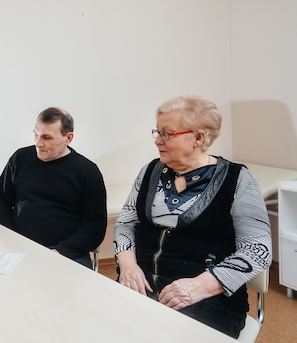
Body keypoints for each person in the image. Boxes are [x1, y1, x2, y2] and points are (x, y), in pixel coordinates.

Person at [113, 95, 272, 338]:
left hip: (206, 296)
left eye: (167, 133)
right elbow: (126, 223)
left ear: (199, 137)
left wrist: (200, 286)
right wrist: (128, 266)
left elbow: (257, 249)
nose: (157, 141)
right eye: (156, 132)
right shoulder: (150, 171)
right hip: (140, 286)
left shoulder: (237, 179)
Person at [0, 107, 107, 268]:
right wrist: (11, 242)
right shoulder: (19, 159)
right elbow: (1, 205)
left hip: (67, 254)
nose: (38, 143)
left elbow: (95, 227)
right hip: (20, 248)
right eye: (36, 134)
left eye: (47, 137)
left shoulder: (87, 172)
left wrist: (60, 252)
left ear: (68, 138)